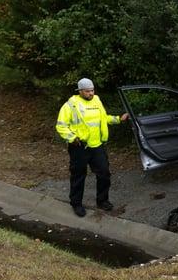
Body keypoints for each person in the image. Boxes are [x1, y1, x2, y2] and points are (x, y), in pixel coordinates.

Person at [55, 78, 129, 217]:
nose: (91, 93)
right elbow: (61, 125)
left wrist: (118, 119)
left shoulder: (96, 100)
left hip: (97, 146)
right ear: (80, 91)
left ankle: (102, 201)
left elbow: (103, 118)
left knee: (104, 173)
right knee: (78, 176)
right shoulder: (71, 104)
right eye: (88, 91)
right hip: (79, 147)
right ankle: (76, 204)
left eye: (92, 90)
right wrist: (72, 138)